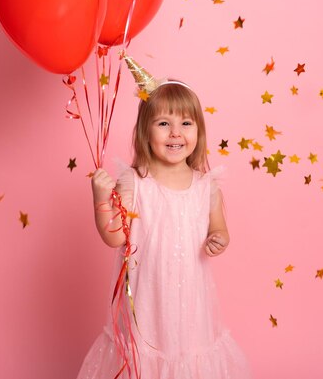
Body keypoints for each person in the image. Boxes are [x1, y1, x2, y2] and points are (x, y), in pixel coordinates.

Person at [76, 58, 250, 378]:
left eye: (186, 123)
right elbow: (115, 236)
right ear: (145, 130)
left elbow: (220, 230)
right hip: (146, 306)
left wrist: (218, 240)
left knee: (189, 359)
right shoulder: (134, 184)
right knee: (146, 362)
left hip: (192, 306)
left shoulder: (206, 187)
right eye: (163, 123)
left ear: (199, 129)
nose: (176, 133)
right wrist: (101, 198)